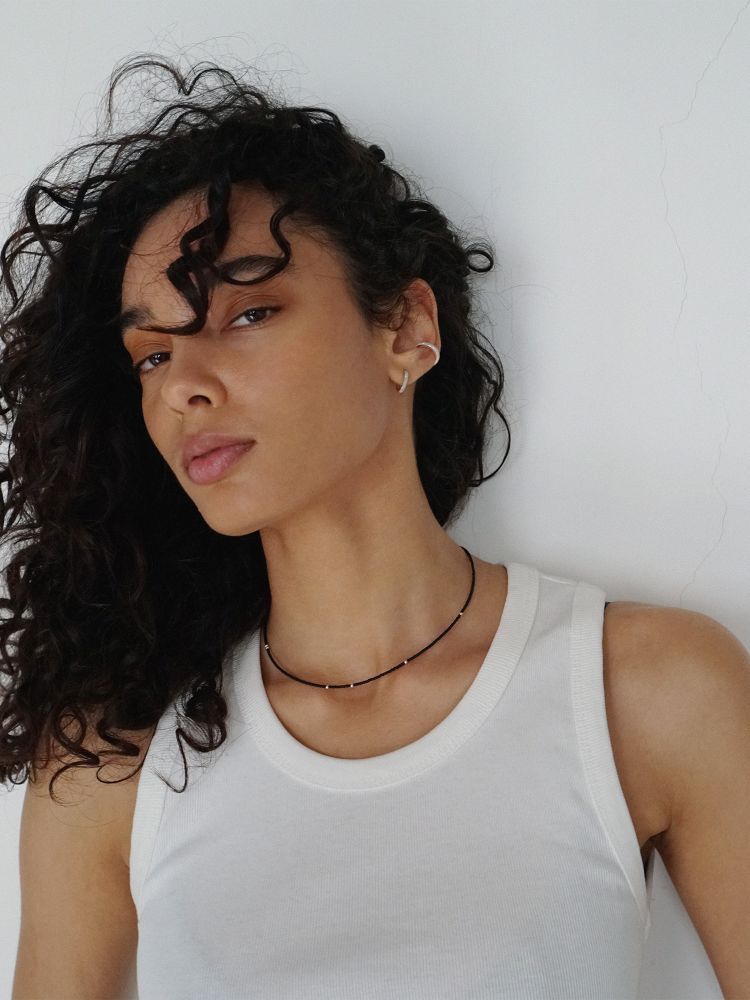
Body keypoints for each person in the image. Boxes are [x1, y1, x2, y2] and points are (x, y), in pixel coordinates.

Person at [3, 55, 748, 1000]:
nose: (185, 383)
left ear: (404, 329)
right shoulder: (117, 754)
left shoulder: (643, 689)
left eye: (248, 311)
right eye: (151, 354)